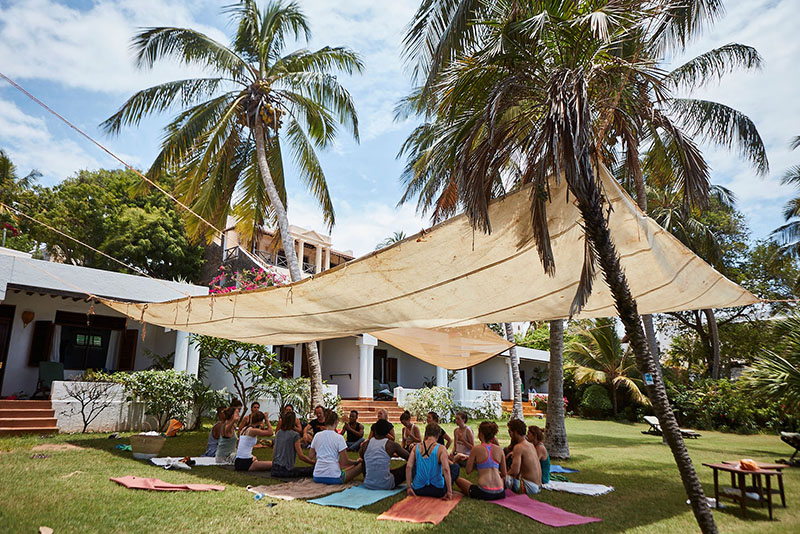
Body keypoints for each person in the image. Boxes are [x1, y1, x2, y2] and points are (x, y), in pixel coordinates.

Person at [454, 421, 507, 500]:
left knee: (457, 478)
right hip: (500, 492)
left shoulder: (476, 449)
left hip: (484, 492)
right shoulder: (499, 450)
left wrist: (471, 461)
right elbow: (504, 473)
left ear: (481, 434)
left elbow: (468, 470)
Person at [309, 409, 363, 484]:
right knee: (361, 465)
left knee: (346, 468)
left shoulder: (317, 436)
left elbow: (311, 455)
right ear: (336, 422)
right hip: (334, 477)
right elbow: (345, 462)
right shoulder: (339, 438)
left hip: (317, 476)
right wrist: (356, 462)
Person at [406, 423, 458, 499]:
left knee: (415, 466)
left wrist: (409, 487)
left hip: (418, 489)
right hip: (437, 490)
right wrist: (449, 491)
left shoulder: (416, 447)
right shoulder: (441, 448)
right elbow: (446, 469)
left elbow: (408, 466)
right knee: (455, 467)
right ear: (438, 435)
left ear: (426, 434)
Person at [360, 418, 410, 490]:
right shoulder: (391, 445)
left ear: (375, 431)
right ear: (387, 433)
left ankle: (371, 478)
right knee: (412, 464)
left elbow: (361, 456)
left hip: (368, 484)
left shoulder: (366, 444)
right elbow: (409, 457)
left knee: (364, 460)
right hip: (386, 484)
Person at [271, 411, 315, 478]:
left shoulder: (278, 433)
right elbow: (301, 456)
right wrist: (314, 463)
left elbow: (274, 452)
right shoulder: (295, 435)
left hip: (274, 469)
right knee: (311, 470)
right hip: (285, 470)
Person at [504, 418, 542, 495]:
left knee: (498, 479)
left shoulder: (519, 447)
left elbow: (514, 471)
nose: (509, 434)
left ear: (515, 432)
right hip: (538, 486)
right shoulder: (530, 445)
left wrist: (504, 475)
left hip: (530, 487)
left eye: (510, 431)